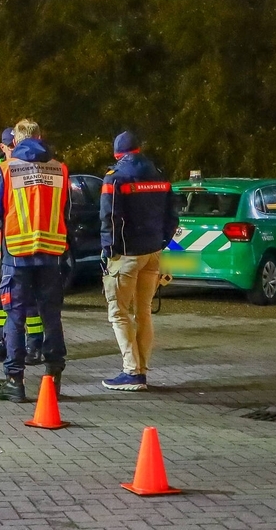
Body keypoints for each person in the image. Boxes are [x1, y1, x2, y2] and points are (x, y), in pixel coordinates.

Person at [0, 119, 69, 402]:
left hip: (16, 254)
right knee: (51, 316)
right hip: (51, 253)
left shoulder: (6, 169)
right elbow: (66, 210)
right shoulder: (59, 168)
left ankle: (15, 381)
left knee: (15, 316)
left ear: (16, 141)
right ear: (40, 137)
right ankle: (53, 379)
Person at [99, 131, 179, 391]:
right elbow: (172, 216)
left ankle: (131, 372)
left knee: (118, 312)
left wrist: (109, 250)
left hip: (126, 254)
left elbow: (109, 217)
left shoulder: (115, 178)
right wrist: (162, 241)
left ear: (117, 154)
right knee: (143, 312)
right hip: (153, 252)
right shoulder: (159, 175)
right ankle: (141, 369)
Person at [0, 128, 45, 365]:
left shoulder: (24, 167)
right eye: (10, 147)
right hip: (2, 242)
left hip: (23, 243)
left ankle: (34, 344)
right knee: (1, 295)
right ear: (3, 147)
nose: (14, 150)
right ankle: (4, 341)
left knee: (30, 297)